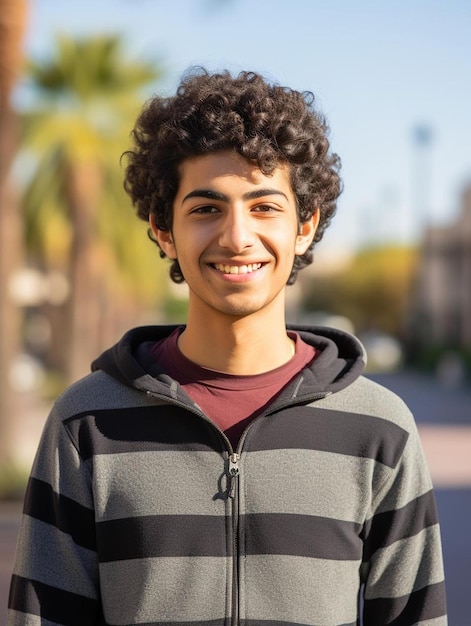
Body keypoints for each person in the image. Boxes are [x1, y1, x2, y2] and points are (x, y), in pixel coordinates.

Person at [8, 68, 447, 626]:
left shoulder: (380, 428)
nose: (237, 236)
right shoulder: (85, 422)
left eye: (265, 207)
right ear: (163, 229)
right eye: (206, 208)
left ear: (305, 226)